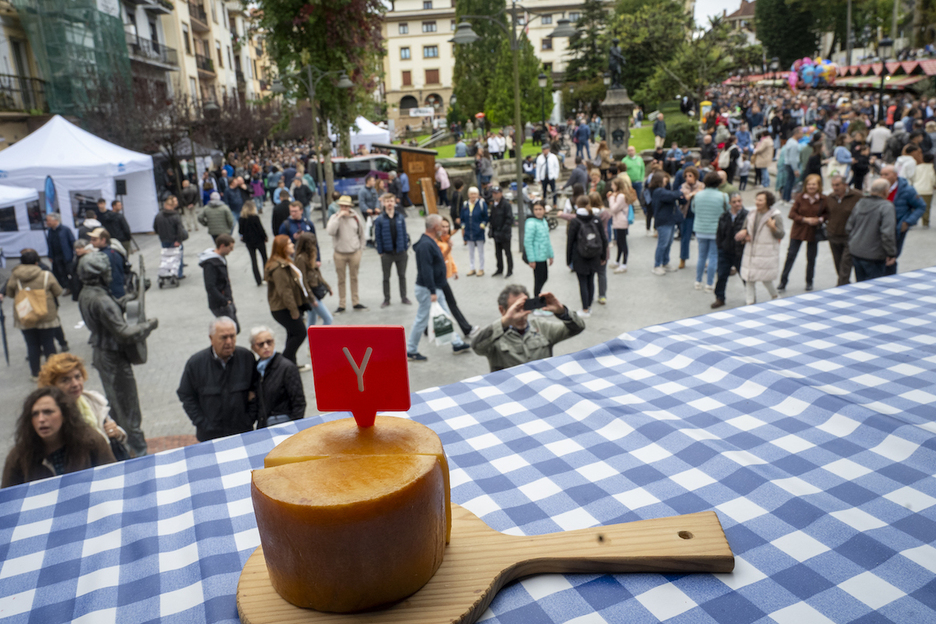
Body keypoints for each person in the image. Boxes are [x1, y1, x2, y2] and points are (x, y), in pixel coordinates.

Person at [77, 252, 158, 457]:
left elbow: (113, 309)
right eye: (108, 271)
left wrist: (131, 297)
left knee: (120, 405)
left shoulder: (88, 293)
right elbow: (123, 333)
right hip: (113, 357)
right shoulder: (100, 299)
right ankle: (137, 453)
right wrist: (148, 325)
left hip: (104, 354)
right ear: (100, 274)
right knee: (128, 409)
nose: (111, 275)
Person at [1, 387, 116, 488]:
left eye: (48, 412)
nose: (41, 419)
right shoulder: (19, 456)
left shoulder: (91, 442)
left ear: (64, 415)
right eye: (35, 414)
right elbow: (8, 499)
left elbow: (113, 479)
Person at [177, 317, 258, 442]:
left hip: (242, 433)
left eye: (232, 336)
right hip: (210, 437)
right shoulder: (196, 363)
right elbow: (186, 395)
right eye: (224, 337)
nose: (229, 342)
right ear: (211, 338)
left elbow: (257, 389)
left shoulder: (247, 358)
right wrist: (202, 423)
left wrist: (249, 419)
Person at [471, 284, 584, 373]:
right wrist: (505, 322)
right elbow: (476, 346)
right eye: (515, 309)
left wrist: (562, 312)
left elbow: (578, 328)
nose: (521, 315)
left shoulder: (542, 327)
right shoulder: (494, 335)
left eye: (524, 308)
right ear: (502, 310)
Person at [406, 214, 472, 361]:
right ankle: (411, 349)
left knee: (445, 315)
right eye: (441, 226)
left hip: (434, 287)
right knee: (421, 319)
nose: (443, 229)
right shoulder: (426, 245)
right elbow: (426, 269)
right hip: (428, 289)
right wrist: (432, 291)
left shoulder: (429, 242)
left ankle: (457, 343)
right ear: (435, 227)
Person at [38, 353, 128, 454]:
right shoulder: (51, 413)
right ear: (52, 385)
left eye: (77, 377)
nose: (75, 384)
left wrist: (117, 433)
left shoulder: (94, 400)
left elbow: (116, 432)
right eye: (65, 380)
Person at [5, 248, 63, 380]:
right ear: (37, 262)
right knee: (49, 343)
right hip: (46, 315)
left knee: (32, 345)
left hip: (25, 315)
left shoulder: (15, 277)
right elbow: (58, 291)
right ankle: (53, 372)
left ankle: (35, 373)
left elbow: (9, 294)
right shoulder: (46, 275)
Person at [265, 235, 311, 366]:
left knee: (292, 334)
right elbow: (285, 291)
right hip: (282, 308)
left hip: (288, 306)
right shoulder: (279, 267)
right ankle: (283, 362)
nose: (293, 245)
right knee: (300, 333)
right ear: (282, 248)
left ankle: (290, 364)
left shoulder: (286, 261)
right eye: (290, 243)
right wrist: (294, 311)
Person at [779, 174, 828, 293]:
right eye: (809, 184)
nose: (811, 187)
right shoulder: (800, 197)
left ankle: (809, 281)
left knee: (811, 258)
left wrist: (819, 220)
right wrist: (805, 219)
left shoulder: (823, 199)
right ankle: (783, 281)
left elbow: (827, 214)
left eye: (814, 184)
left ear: (819, 186)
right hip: (799, 231)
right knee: (791, 255)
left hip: (813, 232)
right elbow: (791, 214)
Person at [250, 326, 306, 428]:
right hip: (264, 426)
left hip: (284, 426)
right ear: (253, 348)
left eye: (269, 342)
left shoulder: (287, 367)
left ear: (274, 342)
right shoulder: (256, 369)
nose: (266, 346)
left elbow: (299, 404)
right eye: (261, 344)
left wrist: (294, 429)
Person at [738, 190, 785, 304]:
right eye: (756, 199)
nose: (757, 202)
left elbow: (781, 234)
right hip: (751, 252)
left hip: (766, 253)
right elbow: (745, 228)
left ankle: (775, 296)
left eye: (760, 200)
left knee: (766, 279)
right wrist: (744, 235)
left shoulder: (775, 215)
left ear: (767, 202)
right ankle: (750, 303)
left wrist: (773, 228)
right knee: (749, 279)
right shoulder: (751, 214)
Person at [846, 178, 897, 282]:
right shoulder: (886, 206)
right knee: (875, 288)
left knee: (861, 285)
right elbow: (887, 233)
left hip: (856, 252)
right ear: (885, 191)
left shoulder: (860, 203)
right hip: (874, 255)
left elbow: (848, 227)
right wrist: (891, 253)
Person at [880, 164, 926, 276]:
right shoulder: (879, 187)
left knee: (891, 257)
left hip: (897, 229)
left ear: (895, 175)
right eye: (881, 174)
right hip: (880, 229)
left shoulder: (907, 190)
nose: (883, 177)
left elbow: (921, 206)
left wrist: (908, 222)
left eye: (886, 174)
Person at [566, 195, 607, 318]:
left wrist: (568, 259)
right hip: (594, 255)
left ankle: (584, 309)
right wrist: (603, 256)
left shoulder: (575, 221)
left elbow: (570, 242)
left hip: (580, 255)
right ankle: (589, 306)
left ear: (577, 205)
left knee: (582, 281)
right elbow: (603, 239)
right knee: (591, 280)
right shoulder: (596, 219)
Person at [435, 218, 475, 337]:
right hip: (438, 278)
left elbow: (449, 258)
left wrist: (455, 270)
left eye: (447, 226)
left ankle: (426, 329)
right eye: (442, 226)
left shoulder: (446, 240)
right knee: (451, 304)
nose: (445, 229)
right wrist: (449, 248)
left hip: (442, 277)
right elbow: (440, 258)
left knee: (432, 305)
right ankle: (466, 329)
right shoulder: (437, 242)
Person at [327, 195, 367, 313]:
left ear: (350, 207)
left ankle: (355, 301)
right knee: (341, 279)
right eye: (342, 206)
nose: (344, 208)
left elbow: (362, 234)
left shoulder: (355, 217)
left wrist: (361, 250)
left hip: (354, 252)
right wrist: (339, 217)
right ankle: (342, 303)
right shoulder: (335, 217)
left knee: (354, 278)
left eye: (346, 206)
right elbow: (330, 231)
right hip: (339, 253)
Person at [691, 172, 729, 293]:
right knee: (713, 256)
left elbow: (693, 209)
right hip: (715, 230)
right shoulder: (723, 196)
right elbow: (726, 211)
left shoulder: (698, 195)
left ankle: (698, 281)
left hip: (700, 228)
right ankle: (709, 283)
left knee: (701, 256)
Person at [712, 192, 749, 309]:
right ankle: (719, 298)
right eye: (734, 202)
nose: (737, 204)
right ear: (730, 203)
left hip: (740, 252)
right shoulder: (724, 216)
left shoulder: (747, 216)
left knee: (745, 276)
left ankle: (750, 297)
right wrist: (720, 247)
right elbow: (719, 233)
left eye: (739, 201)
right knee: (722, 275)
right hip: (725, 251)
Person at [823, 175, 861, 286]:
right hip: (833, 235)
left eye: (837, 185)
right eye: (833, 185)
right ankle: (845, 284)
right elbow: (826, 213)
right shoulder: (830, 198)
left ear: (845, 185)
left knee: (846, 264)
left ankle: (840, 287)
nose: (835, 188)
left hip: (850, 237)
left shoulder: (857, 196)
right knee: (838, 264)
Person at [374, 193, 410, 307]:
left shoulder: (400, 217)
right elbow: (378, 237)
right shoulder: (380, 219)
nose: (389, 203)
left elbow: (404, 234)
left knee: (402, 275)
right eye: (387, 201)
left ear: (395, 202)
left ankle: (404, 297)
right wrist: (380, 252)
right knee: (386, 277)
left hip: (400, 252)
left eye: (391, 201)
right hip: (387, 253)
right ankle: (386, 299)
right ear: (383, 203)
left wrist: (405, 248)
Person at [198, 233, 239, 331]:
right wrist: (224, 301)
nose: (231, 250)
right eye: (230, 247)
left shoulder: (220, 259)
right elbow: (210, 286)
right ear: (222, 246)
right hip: (220, 304)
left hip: (225, 301)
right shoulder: (211, 264)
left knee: (234, 329)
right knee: (230, 330)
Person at [293, 231, 333, 327]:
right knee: (328, 319)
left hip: (314, 290)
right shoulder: (301, 259)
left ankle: (310, 341)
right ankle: (319, 340)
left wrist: (328, 287)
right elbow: (302, 280)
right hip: (310, 294)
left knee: (311, 320)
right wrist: (311, 298)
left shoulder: (310, 256)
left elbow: (317, 274)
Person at [649, 171, 683, 275]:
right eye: (664, 178)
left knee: (668, 243)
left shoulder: (663, 190)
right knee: (663, 244)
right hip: (663, 221)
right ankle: (657, 265)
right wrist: (681, 192)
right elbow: (672, 195)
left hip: (670, 220)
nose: (667, 180)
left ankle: (665, 262)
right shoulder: (658, 191)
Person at [524, 199, 554, 299]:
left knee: (544, 277)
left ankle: (538, 299)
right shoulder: (531, 223)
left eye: (540, 209)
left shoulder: (544, 221)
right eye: (536, 209)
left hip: (543, 255)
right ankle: (536, 301)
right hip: (536, 256)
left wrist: (551, 255)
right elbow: (528, 242)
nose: (538, 211)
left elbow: (547, 239)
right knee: (538, 280)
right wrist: (531, 259)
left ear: (544, 210)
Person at [153, 197, 188, 280]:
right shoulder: (175, 216)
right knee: (177, 257)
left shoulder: (158, 216)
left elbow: (155, 227)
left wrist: (160, 234)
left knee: (167, 257)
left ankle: (168, 272)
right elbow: (179, 230)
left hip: (164, 239)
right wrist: (179, 240)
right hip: (174, 240)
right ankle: (178, 274)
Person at [237, 200, 268, 287]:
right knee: (264, 258)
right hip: (259, 240)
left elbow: (240, 231)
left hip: (249, 242)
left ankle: (258, 280)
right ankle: (266, 278)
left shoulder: (241, 219)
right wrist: (265, 237)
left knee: (253, 260)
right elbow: (260, 229)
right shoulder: (255, 217)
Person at [44, 212, 75, 296]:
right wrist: (50, 255)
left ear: (55, 220)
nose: (47, 223)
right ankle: (67, 287)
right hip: (56, 256)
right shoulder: (50, 231)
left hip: (66, 255)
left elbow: (72, 241)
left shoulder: (65, 229)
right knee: (60, 273)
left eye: (49, 221)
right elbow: (50, 244)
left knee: (71, 272)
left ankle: (74, 287)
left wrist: (75, 253)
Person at [460, 186, 489, 276]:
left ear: (478, 195)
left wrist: (483, 225)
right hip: (469, 231)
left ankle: (481, 268)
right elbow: (462, 217)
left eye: (475, 194)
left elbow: (486, 216)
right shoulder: (465, 205)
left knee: (480, 251)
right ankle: (472, 268)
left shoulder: (481, 204)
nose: (473, 196)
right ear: (468, 195)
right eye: (471, 194)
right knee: (471, 251)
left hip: (478, 231)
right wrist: (463, 226)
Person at [678, 167, 702, 269]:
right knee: (685, 238)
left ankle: (703, 259)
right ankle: (683, 258)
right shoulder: (683, 186)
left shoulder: (701, 185)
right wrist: (694, 193)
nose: (688, 178)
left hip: (699, 215)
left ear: (695, 176)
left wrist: (693, 193)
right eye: (686, 176)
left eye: (690, 176)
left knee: (701, 239)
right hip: (686, 215)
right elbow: (686, 196)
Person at [488, 185, 514, 278]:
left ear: (501, 193)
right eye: (493, 193)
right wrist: (491, 229)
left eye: (496, 193)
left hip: (504, 234)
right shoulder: (493, 205)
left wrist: (503, 230)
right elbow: (491, 218)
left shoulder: (506, 205)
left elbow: (509, 219)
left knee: (507, 253)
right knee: (498, 253)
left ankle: (510, 270)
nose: (495, 195)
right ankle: (500, 269)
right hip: (496, 234)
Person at [607, 177, 631, 273]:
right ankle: (617, 261)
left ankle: (624, 264)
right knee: (620, 242)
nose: (612, 186)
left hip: (621, 221)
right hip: (619, 221)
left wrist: (611, 198)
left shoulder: (620, 196)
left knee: (622, 242)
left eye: (613, 185)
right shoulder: (621, 195)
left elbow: (613, 209)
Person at [781, 127, 803, 203]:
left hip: (788, 164)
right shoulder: (793, 144)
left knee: (789, 181)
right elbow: (793, 157)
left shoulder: (790, 141)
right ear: (796, 133)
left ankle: (785, 197)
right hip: (791, 165)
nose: (802, 135)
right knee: (790, 182)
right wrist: (795, 169)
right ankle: (787, 198)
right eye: (801, 133)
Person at [914, 152, 935, 228]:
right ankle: (925, 223)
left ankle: (913, 221)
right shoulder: (932, 168)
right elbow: (933, 179)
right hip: (927, 191)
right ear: (932, 160)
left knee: (915, 206)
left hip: (916, 189)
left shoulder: (917, 167)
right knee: (926, 208)